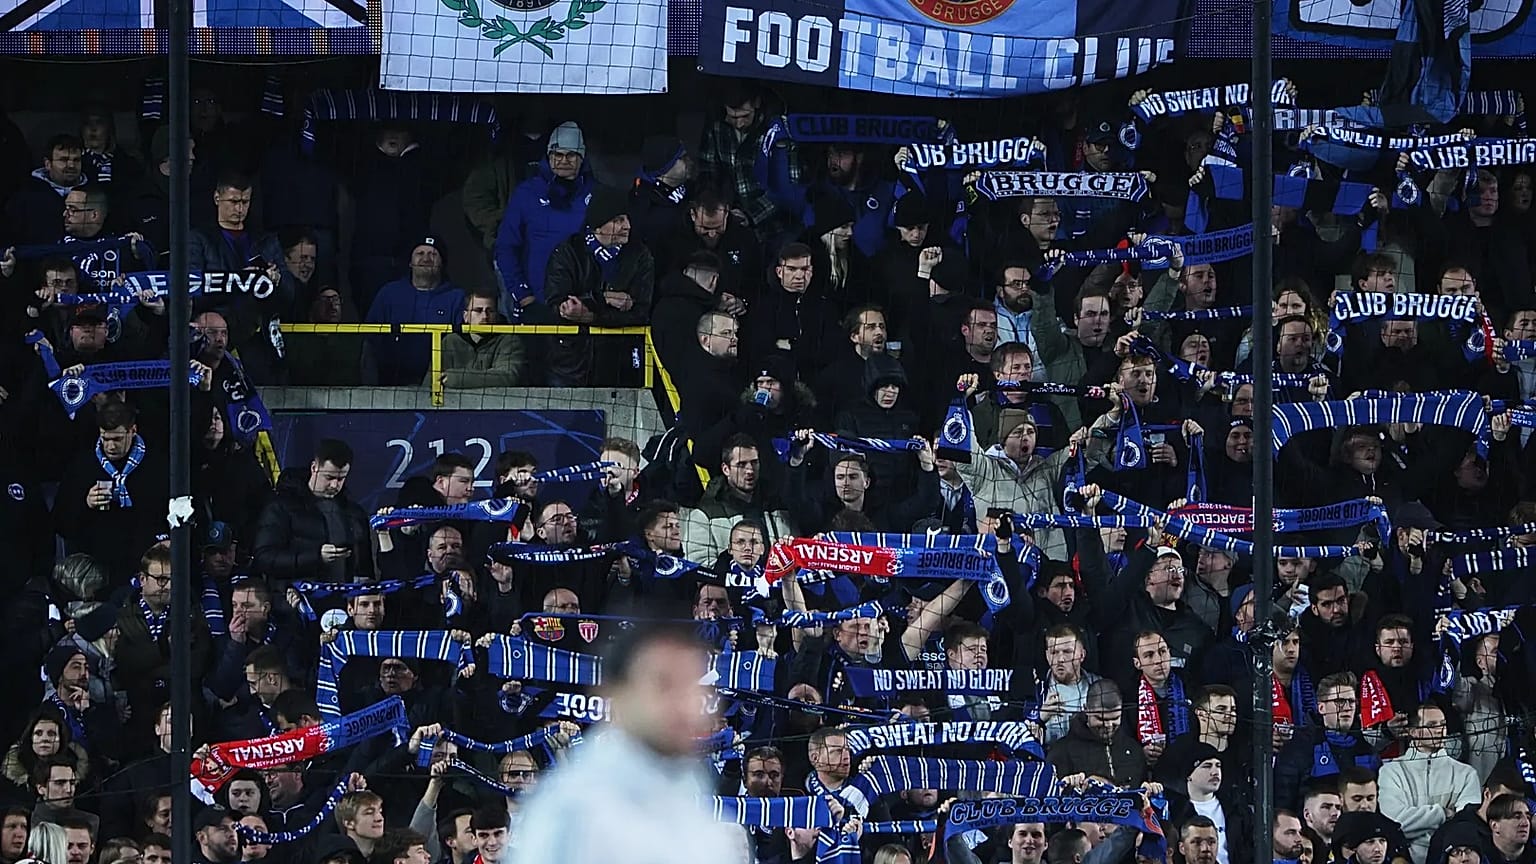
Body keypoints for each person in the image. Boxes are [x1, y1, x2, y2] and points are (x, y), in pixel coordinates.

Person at [512, 621, 743, 863]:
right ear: (616, 693)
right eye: (664, 685)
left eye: (691, 686)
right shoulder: (567, 809)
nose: (683, 705)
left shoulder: (702, 811)